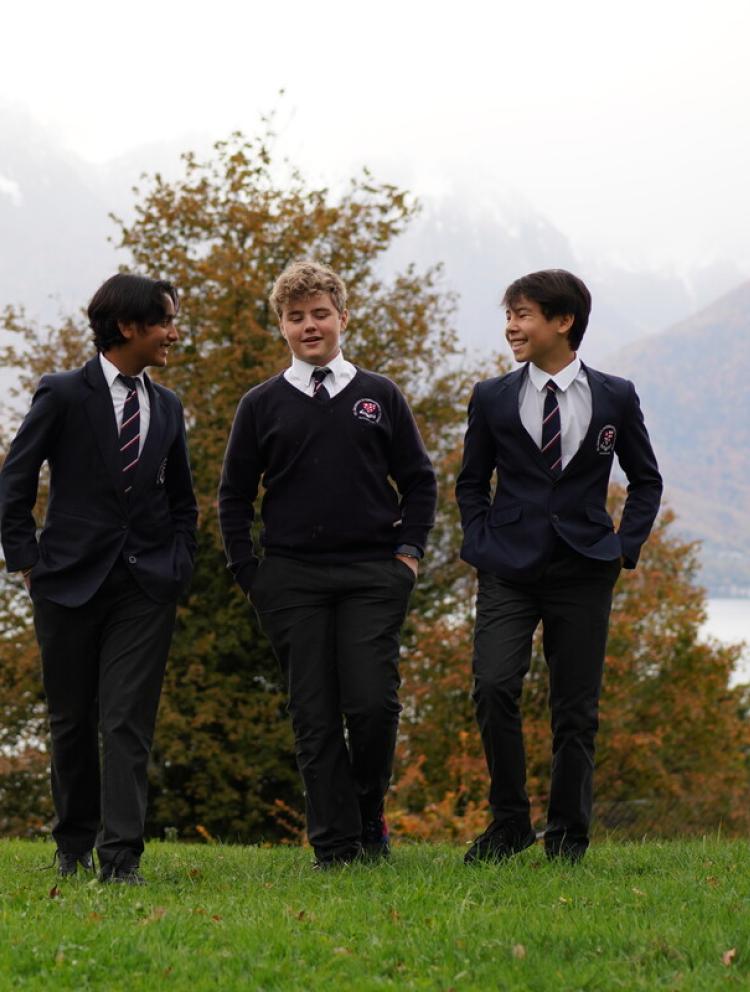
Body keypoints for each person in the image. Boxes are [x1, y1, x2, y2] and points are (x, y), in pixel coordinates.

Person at [219, 260, 437, 869]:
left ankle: (369, 814)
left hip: (374, 573)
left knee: (371, 707)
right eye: (296, 317)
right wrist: (249, 573)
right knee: (312, 714)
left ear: (342, 317)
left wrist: (409, 555)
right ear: (282, 327)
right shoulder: (260, 405)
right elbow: (233, 496)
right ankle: (334, 847)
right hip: (290, 579)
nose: (309, 326)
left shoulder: (380, 395)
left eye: (320, 313)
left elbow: (419, 480)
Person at [456, 269, 662, 864]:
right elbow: (472, 482)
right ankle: (509, 823)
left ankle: (569, 834)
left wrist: (626, 546)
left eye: (522, 315)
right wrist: (481, 539)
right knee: (493, 686)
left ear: (562, 321)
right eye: (509, 315)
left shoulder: (615, 395)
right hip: (508, 569)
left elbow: (645, 480)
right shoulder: (491, 396)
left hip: (584, 567)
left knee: (575, 708)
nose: (511, 327)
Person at [0, 273, 197, 884]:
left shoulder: (166, 405)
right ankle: (72, 845)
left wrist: (178, 560)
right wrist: (26, 561)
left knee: (127, 721)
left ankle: (121, 860)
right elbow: (15, 482)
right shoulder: (61, 393)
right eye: (165, 320)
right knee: (71, 722)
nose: (174, 331)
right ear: (127, 327)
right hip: (65, 582)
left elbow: (184, 500)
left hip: (145, 588)